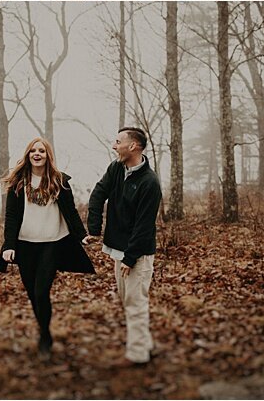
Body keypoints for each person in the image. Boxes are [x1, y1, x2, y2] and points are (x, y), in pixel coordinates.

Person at [0, 137, 95, 359]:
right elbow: (11, 217)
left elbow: (71, 212)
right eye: (33, 151)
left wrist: (82, 236)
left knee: (41, 292)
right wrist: (9, 245)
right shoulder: (18, 182)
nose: (37, 154)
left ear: (48, 155)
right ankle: (44, 330)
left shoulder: (59, 181)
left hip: (52, 244)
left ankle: (45, 338)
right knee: (32, 294)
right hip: (25, 245)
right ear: (28, 155)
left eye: (41, 151)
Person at [86, 127, 162, 366]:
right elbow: (99, 193)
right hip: (118, 249)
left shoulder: (150, 183)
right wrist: (94, 229)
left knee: (135, 303)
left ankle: (138, 356)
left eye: (118, 142)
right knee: (127, 299)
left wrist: (130, 258)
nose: (113, 146)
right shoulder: (116, 168)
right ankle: (146, 345)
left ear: (133, 146)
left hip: (137, 254)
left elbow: (144, 226)